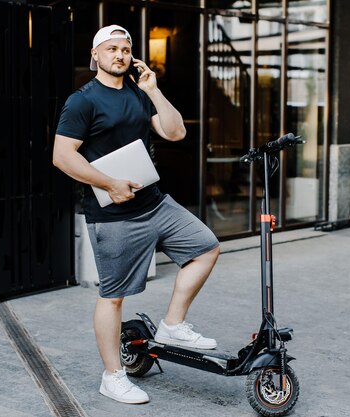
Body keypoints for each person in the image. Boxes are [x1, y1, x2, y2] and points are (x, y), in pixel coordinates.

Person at [52, 25, 220, 405]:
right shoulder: (83, 101)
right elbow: (62, 156)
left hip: (155, 203)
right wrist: (109, 183)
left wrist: (153, 90)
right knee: (113, 297)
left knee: (206, 247)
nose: (120, 55)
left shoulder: (138, 93)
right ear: (95, 56)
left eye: (126, 49)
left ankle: (173, 324)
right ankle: (113, 376)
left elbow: (175, 133)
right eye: (111, 49)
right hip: (114, 216)